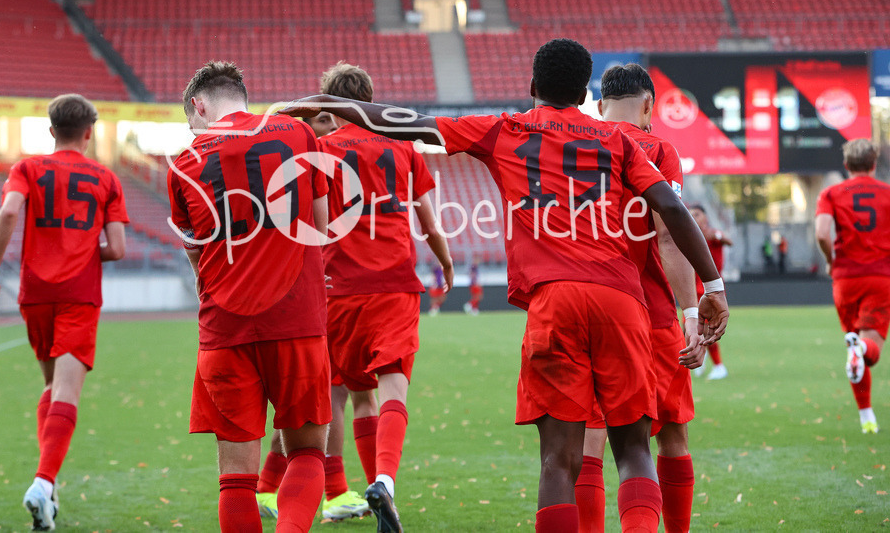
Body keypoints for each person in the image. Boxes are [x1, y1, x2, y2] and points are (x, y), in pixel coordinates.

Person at [281, 38, 729, 533]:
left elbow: (409, 122)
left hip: (554, 301)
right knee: (634, 451)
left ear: (533, 85)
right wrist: (713, 286)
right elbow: (671, 209)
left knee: (558, 460)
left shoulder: (506, 129)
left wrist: (329, 103)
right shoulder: (617, 140)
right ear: (585, 93)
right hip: (622, 301)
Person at [168, 62, 332, 532]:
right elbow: (320, 227)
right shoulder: (298, 134)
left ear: (198, 106)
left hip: (224, 327)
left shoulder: (182, 163)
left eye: (191, 121)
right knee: (307, 453)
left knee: (236, 479)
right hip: (296, 318)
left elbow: (196, 257)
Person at [316, 61, 454, 531]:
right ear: (370, 102)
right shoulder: (402, 148)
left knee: (348, 392)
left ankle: (341, 489)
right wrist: (445, 261)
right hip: (394, 284)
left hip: (339, 288)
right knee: (392, 387)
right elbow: (428, 221)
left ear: (331, 105)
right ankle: (384, 481)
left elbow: (310, 222)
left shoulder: (320, 151)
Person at [0, 94, 128, 531]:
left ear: (51, 131)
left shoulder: (27, 168)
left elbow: (9, 210)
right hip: (78, 295)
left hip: (35, 293)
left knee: (50, 386)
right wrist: (82, 250)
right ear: (89, 133)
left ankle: (48, 493)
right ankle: (43, 482)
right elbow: (117, 249)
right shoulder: (106, 178)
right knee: (66, 391)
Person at [577, 63, 705, 533]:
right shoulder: (658, 150)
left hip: (588, 310)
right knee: (670, 434)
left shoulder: (578, 145)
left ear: (600, 104)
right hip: (651, 314)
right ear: (649, 104)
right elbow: (669, 236)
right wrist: (691, 311)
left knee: (590, 444)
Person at [254, 107, 373, 522]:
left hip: (309, 293)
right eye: (323, 119)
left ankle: (266, 487)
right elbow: (319, 230)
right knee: (330, 397)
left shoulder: (293, 158)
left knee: (307, 405)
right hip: (322, 294)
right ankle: (335, 492)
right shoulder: (312, 160)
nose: (332, 127)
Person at [815, 139, 890, 435]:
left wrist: (830, 260)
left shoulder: (831, 193)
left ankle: (866, 416)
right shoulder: (887, 193)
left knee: (853, 343)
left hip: (845, 279)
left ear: (846, 165)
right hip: (880, 276)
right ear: (874, 164)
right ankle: (860, 349)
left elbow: (822, 233)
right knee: (870, 348)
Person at [689, 205, 733, 381]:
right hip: (693, 290)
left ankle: (719, 366)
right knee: (689, 327)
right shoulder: (689, 237)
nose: (693, 218)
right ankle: (702, 354)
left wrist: (718, 236)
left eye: (697, 214)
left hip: (710, 291)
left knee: (707, 330)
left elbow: (728, 241)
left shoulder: (712, 234)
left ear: (705, 218)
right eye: (690, 215)